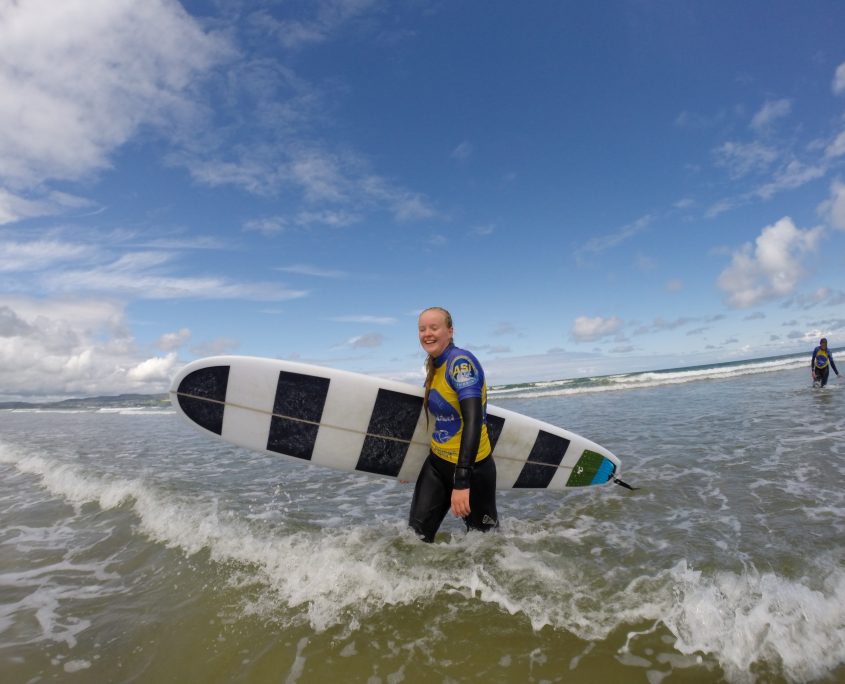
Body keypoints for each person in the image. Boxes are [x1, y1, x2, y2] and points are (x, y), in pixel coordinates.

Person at [409, 307, 499, 542]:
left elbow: (474, 419)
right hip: (437, 465)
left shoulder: (460, 363)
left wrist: (461, 481)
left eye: (434, 327)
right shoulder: (434, 365)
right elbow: (436, 420)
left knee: (485, 545)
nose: (427, 333)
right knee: (415, 538)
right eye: (422, 329)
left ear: (450, 331)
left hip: (472, 470)